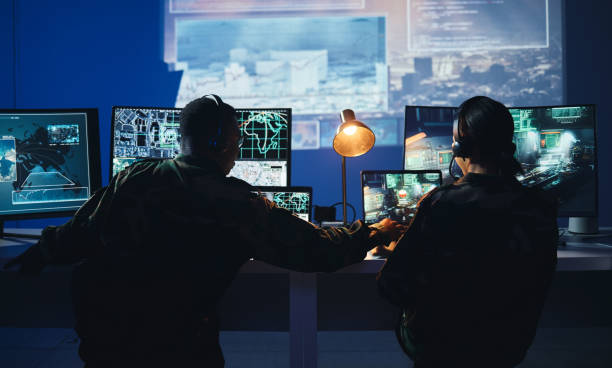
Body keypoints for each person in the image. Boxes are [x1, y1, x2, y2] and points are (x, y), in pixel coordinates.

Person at [4, 94, 404, 367]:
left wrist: (37, 255)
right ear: (222, 142)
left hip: (106, 342)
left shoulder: (135, 178)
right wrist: (371, 232)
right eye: (237, 140)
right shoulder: (236, 203)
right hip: (180, 349)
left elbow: (81, 232)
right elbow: (314, 250)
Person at [377, 96, 558, 368]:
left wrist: (398, 252)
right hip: (507, 349)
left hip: (440, 351)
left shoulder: (440, 202)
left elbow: (391, 286)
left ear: (459, 146)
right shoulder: (540, 206)